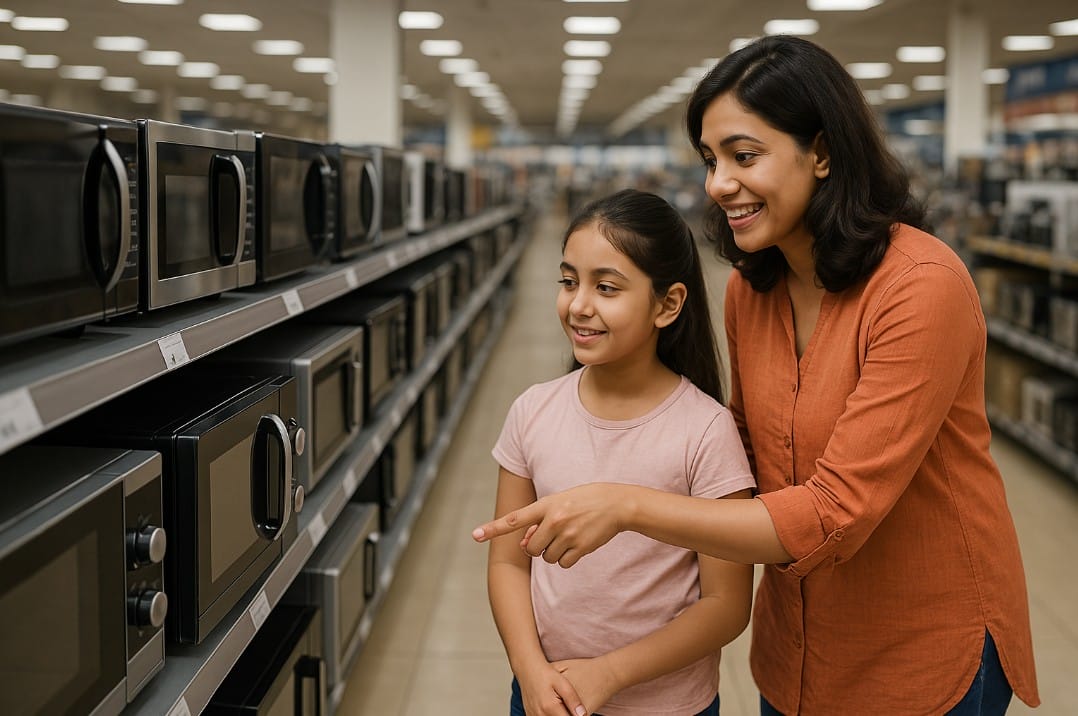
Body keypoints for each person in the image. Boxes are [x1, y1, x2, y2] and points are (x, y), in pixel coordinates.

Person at [474, 36, 1040, 715]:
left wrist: (625, 506)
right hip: (796, 644)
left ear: (821, 152)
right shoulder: (753, 290)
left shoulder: (920, 287)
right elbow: (747, 460)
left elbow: (836, 512)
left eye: (744, 156)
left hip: (918, 644)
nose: (717, 184)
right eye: (710, 160)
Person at [487, 188, 756, 716]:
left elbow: (726, 605)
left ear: (667, 304)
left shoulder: (705, 431)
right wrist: (530, 671)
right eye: (569, 282)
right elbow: (508, 563)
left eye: (606, 287)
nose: (579, 305)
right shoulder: (532, 411)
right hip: (544, 695)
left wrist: (610, 673)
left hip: (669, 707)